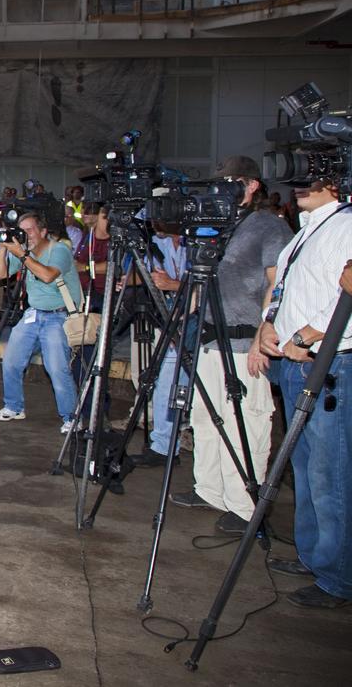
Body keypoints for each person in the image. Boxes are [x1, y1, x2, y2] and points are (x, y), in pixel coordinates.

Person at [152, 159, 291, 543]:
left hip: (246, 341)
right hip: (209, 340)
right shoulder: (216, 225)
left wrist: (267, 332)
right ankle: (210, 489)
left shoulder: (269, 226)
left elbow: (277, 283)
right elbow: (201, 279)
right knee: (204, 417)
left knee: (245, 422)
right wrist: (184, 319)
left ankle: (246, 506)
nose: (227, 189)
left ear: (253, 186)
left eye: (235, 182)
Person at [255, 179, 352, 608]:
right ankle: (315, 557)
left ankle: (339, 577)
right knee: (306, 467)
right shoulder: (304, 229)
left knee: (331, 475)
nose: (298, 187)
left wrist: (307, 335)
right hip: (294, 361)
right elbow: (285, 286)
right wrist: (268, 323)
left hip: (330, 362)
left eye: (311, 178)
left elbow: (343, 297)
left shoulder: (346, 226)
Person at [0, 211, 81, 432]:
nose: (26, 235)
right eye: (22, 231)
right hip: (33, 313)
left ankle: (71, 418)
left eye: (30, 230)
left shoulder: (59, 249)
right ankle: (13, 406)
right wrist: (4, 249)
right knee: (11, 361)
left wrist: (22, 254)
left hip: (59, 315)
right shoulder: (23, 251)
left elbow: (48, 275)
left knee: (57, 369)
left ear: (43, 231)